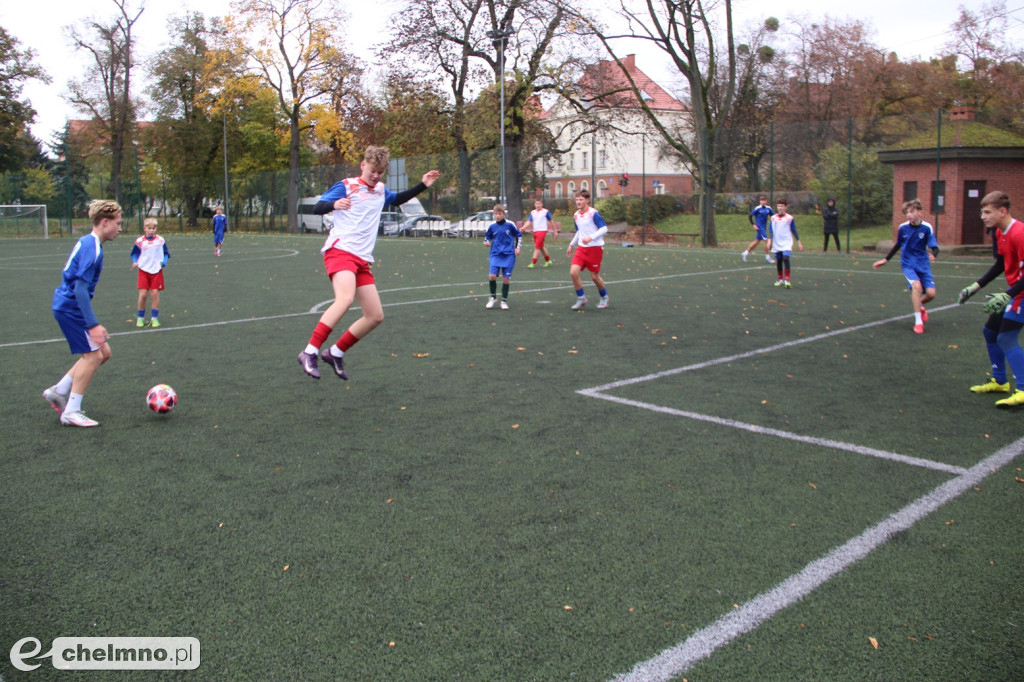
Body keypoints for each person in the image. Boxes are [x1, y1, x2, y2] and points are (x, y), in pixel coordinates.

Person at [297, 146, 440, 380]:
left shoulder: (381, 190)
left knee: (374, 316)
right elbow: (318, 206)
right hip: (340, 251)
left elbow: (397, 199)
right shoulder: (347, 185)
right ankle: (309, 351)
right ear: (363, 165)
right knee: (344, 299)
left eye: (380, 173)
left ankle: (334, 353)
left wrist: (423, 185)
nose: (375, 176)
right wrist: (335, 205)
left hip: (362, 260)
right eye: (372, 170)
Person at [43, 199, 123, 427]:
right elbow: (79, 288)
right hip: (70, 307)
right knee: (93, 356)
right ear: (105, 222)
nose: (119, 228)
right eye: (117, 223)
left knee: (103, 353)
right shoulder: (93, 248)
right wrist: (93, 324)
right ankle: (71, 411)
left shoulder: (89, 242)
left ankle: (59, 390)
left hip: (68, 305)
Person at [957, 191, 1024, 407]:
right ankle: (1000, 382)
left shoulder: (1020, 234)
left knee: (1006, 338)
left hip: (1020, 293)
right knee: (990, 331)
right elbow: (1000, 265)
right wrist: (975, 286)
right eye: (981, 212)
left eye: (987, 212)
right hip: (1016, 291)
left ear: (1002, 211)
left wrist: (1008, 295)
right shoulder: (998, 233)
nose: (983, 216)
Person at [873, 198, 938, 334]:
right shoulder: (903, 228)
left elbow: (933, 245)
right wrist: (885, 260)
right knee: (917, 287)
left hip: (923, 264)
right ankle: (918, 322)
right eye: (907, 212)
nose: (909, 215)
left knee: (931, 294)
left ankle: (920, 304)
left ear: (920, 212)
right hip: (908, 263)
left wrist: (934, 254)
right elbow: (897, 245)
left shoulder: (927, 228)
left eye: (912, 212)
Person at [566, 189, 609, 310]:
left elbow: (604, 228)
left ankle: (604, 297)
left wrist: (591, 237)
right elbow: (579, 231)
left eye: (581, 199)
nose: (578, 202)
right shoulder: (576, 215)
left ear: (587, 200)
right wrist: (571, 244)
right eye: (577, 199)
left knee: (594, 277)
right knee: (573, 272)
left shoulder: (593, 213)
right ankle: (581, 298)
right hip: (581, 248)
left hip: (595, 248)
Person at [130, 217, 170, 328]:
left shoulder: (160, 241)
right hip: (144, 270)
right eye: (149, 228)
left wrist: (164, 262)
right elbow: (134, 254)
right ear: (144, 228)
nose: (151, 230)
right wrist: (135, 262)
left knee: (155, 294)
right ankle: (140, 318)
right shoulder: (140, 241)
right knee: (143, 295)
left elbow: (166, 253)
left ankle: (154, 319)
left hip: (156, 270)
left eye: (154, 228)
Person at [482, 204, 522, 310]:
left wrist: (517, 248)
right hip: (495, 254)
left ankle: (504, 301)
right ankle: (493, 298)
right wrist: (486, 242)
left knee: (506, 279)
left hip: (508, 255)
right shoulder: (492, 226)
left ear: (504, 214)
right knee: (492, 276)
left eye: (500, 214)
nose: (498, 216)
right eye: (496, 214)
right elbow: (487, 236)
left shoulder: (510, 224)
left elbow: (518, 235)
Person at [766, 198, 803, 288]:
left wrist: (799, 241)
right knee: (779, 260)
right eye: (779, 206)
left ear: (785, 207)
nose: (780, 208)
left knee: (786, 258)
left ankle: (787, 280)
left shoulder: (789, 218)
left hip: (787, 242)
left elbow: (793, 230)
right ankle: (780, 280)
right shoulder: (773, 218)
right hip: (777, 242)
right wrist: (769, 240)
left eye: (782, 206)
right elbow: (771, 230)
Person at [741, 195, 775, 263]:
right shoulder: (757, 208)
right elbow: (750, 216)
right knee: (766, 241)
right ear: (760, 201)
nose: (762, 202)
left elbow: (773, 216)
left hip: (764, 227)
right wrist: (753, 224)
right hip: (759, 227)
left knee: (757, 241)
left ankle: (746, 253)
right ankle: (767, 257)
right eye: (761, 201)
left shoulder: (768, 208)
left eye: (764, 200)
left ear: (766, 201)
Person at [524, 197, 553, 268]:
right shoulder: (533, 212)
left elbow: (551, 221)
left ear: (542, 204)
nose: (538, 205)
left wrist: (555, 231)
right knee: (541, 247)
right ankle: (548, 261)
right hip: (535, 231)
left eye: (539, 203)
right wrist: (524, 227)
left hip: (542, 231)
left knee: (537, 247)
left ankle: (533, 263)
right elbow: (529, 221)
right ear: (534, 204)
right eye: (536, 203)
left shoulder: (545, 212)